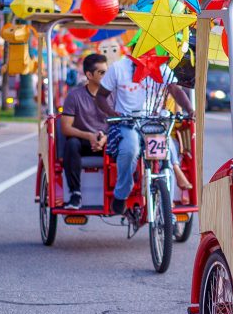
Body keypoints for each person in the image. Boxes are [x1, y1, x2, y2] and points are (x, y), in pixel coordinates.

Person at [94, 53, 194, 215]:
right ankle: (122, 193)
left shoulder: (161, 67)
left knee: (167, 148)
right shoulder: (118, 68)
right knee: (130, 149)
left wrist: (190, 110)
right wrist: (113, 113)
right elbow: (101, 97)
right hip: (127, 123)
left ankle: (169, 207)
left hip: (153, 123)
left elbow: (175, 89)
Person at [60, 53, 113, 210]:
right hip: (83, 141)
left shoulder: (114, 94)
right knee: (71, 144)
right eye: (102, 72)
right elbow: (65, 127)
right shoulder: (74, 96)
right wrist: (89, 136)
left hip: (108, 141)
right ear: (89, 75)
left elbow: (121, 123)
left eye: (107, 71)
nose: (106, 76)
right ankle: (75, 194)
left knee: (126, 144)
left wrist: (105, 139)